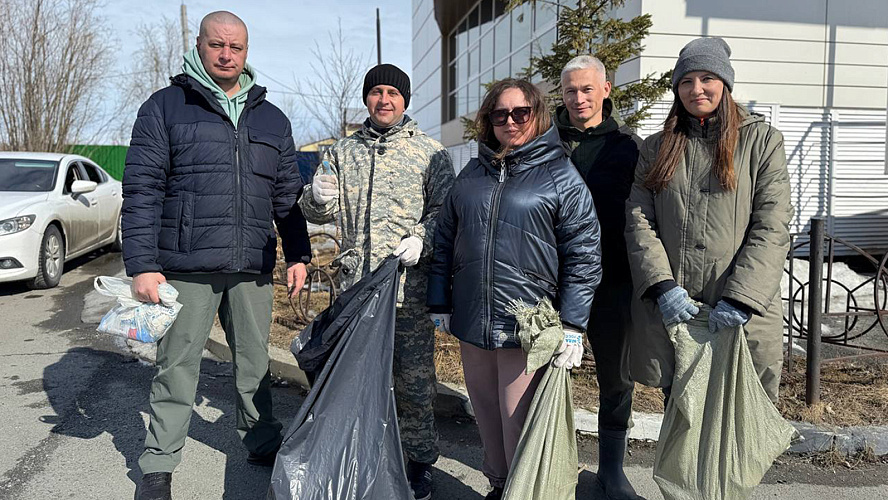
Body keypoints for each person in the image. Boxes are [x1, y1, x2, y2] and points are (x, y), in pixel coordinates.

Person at [123, 11, 311, 500]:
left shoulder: (271, 118)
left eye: (236, 47)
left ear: (247, 52)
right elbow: (142, 189)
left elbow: (286, 196)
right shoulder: (165, 107)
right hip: (185, 266)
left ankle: (262, 443)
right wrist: (143, 265)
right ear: (199, 45)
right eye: (217, 45)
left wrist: (298, 254)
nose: (227, 55)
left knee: (255, 364)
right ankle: (159, 465)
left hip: (251, 266)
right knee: (177, 366)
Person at [427, 78, 602, 500]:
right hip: (473, 317)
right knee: (486, 411)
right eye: (499, 114)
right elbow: (445, 239)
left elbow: (584, 253)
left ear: (536, 115)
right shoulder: (472, 174)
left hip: (526, 324)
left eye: (520, 112)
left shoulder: (560, 175)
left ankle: (525, 491)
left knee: (516, 415)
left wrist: (573, 324)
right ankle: (499, 485)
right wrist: (439, 300)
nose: (510, 121)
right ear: (488, 120)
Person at [298, 63, 455, 500]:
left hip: (407, 291)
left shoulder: (428, 152)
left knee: (412, 381)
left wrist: (421, 238)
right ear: (367, 98)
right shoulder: (342, 151)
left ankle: (418, 461)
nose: (384, 100)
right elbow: (317, 211)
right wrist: (315, 198)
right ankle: (360, 454)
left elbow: (446, 211)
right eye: (376, 92)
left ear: (405, 100)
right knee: (353, 379)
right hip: (355, 289)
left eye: (393, 93)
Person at [625, 37, 793, 405]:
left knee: (737, 423)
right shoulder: (656, 148)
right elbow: (640, 220)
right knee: (682, 417)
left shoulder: (762, 142)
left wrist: (741, 299)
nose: (696, 89)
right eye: (686, 81)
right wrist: (662, 287)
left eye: (707, 78)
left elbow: (772, 225)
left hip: (739, 312)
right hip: (676, 313)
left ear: (725, 83)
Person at [556, 55, 642, 500]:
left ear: (606, 89)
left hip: (614, 281)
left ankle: (611, 470)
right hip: (554, 281)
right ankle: (551, 463)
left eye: (587, 89)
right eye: (571, 90)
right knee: (550, 373)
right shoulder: (544, 143)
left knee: (616, 377)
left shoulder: (630, 146)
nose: (579, 98)